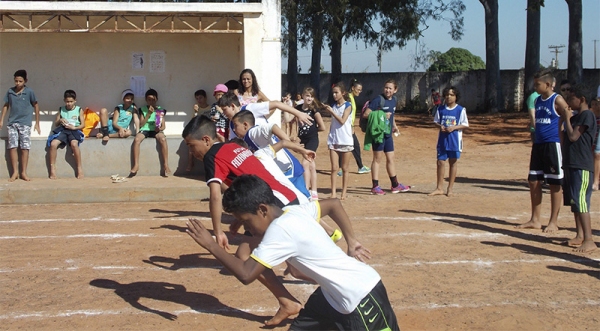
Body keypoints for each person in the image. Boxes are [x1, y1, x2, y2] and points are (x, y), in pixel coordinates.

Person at [186, 174, 400, 331]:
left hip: (361, 297)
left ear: (262, 209)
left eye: (246, 221)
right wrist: (351, 242)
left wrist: (211, 245)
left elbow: (246, 274)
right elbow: (333, 205)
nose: (246, 228)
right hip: (331, 297)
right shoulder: (293, 210)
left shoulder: (279, 231)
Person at [517, 69, 568, 233]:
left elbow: (569, 114)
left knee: (554, 183)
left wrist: (565, 133)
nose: (535, 86)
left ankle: (553, 221)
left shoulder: (557, 99)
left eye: (537, 84)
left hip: (552, 145)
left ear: (548, 84)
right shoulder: (538, 100)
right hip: (538, 145)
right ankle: (535, 219)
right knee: (533, 181)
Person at [561, 85, 597, 252]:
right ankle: (579, 235)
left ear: (582, 99)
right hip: (571, 163)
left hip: (582, 164)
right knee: (574, 201)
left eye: (571, 98)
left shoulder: (587, 115)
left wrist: (567, 119)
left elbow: (574, 136)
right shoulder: (575, 118)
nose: (568, 101)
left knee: (581, 201)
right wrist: (564, 119)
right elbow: (563, 137)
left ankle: (589, 239)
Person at [362, 79, 410, 195]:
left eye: (390, 88)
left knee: (391, 158)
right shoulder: (378, 100)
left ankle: (395, 185)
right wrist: (382, 115)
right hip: (378, 134)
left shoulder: (394, 100)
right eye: (386, 88)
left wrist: (395, 127)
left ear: (395, 90)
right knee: (377, 159)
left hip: (388, 134)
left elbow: (392, 116)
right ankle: (375, 186)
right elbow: (366, 114)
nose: (387, 90)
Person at [217, 91, 312, 141]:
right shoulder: (231, 124)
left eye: (225, 110)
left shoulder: (250, 108)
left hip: (274, 150)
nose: (223, 113)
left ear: (233, 106)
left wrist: (298, 113)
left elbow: (276, 104)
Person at [0, 69, 41, 182]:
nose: (18, 83)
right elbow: (6, 105)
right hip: (12, 123)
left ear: (25, 81)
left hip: (25, 124)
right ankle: (15, 172)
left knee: (24, 147)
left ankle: (24, 172)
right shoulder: (10, 92)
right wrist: (1, 120)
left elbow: (36, 106)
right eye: (16, 81)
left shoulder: (29, 92)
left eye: (20, 81)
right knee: (12, 147)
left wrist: (37, 123)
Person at [428, 86, 469, 197]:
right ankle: (439, 188)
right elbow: (436, 121)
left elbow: (465, 124)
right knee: (440, 162)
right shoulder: (440, 109)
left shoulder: (460, 110)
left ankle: (450, 188)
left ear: (456, 97)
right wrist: (440, 126)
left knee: (453, 162)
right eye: (447, 95)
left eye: (451, 95)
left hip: (454, 140)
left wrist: (454, 128)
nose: (449, 97)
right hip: (442, 140)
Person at [292, 87, 326, 201]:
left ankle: (306, 189)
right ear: (302, 96)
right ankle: (314, 191)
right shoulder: (297, 109)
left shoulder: (314, 110)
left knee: (305, 163)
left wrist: (313, 130)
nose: (309, 98)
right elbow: (293, 122)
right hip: (303, 139)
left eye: (311, 96)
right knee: (311, 165)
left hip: (312, 140)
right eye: (307, 95)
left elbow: (322, 127)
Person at [129, 88, 171, 177]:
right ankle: (136, 165)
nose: (151, 102)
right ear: (146, 100)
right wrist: (148, 113)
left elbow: (163, 126)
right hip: (145, 129)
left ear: (156, 99)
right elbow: (141, 124)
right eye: (149, 100)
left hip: (155, 130)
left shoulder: (160, 110)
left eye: (153, 100)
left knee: (163, 139)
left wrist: (159, 128)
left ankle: (166, 165)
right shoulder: (143, 109)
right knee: (137, 140)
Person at [324, 81, 353, 200]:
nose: (335, 95)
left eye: (337, 93)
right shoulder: (334, 106)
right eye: (333, 93)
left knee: (345, 168)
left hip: (345, 140)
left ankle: (344, 192)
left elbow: (342, 120)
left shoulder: (348, 105)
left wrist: (332, 112)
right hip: (334, 140)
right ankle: (333, 192)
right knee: (334, 168)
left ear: (343, 93)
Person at [47, 89, 85, 179]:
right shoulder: (61, 109)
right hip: (63, 130)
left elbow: (83, 125)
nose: (69, 103)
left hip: (74, 130)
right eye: (67, 101)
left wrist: (74, 127)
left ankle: (79, 168)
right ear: (64, 100)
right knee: (53, 144)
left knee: (74, 144)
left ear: (75, 101)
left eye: (71, 101)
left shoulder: (79, 109)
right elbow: (56, 123)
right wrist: (60, 120)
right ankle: (52, 169)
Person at [338, 79, 370, 177]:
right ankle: (358, 167)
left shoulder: (351, 97)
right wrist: (350, 126)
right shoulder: (349, 98)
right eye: (358, 89)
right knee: (351, 147)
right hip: (347, 127)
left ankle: (344, 168)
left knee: (349, 147)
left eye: (360, 90)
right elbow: (347, 113)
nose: (359, 92)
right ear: (353, 88)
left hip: (348, 127)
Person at [590, 96, 600, 190]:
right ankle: (594, 180)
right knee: (594, 155)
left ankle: (596, 181)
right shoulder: (591, 115)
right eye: (593, 104)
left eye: (596, 104)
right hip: (594, 137)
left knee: (597, 154)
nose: (594, 106)